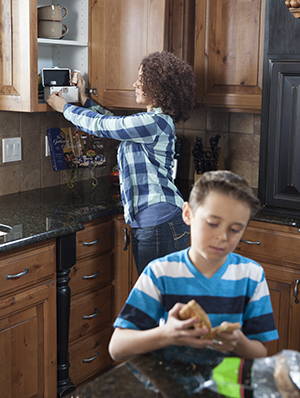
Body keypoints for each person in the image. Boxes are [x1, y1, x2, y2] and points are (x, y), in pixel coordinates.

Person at [47, 51, 195, 275]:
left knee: (156, 300)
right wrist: (85, 99)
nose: (135, 84)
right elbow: (115, 122)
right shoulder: (153, 122)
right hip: (156, 223)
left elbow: (104, 126)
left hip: (159, 224)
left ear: (159, 87)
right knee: (158, 298)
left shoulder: (155, 122)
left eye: (142, 80)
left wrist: (64, 108)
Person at [108, 170, 279, 362]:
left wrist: (239, 342)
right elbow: (117, 347)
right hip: (170, 386)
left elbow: (260, 351)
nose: (222, 237)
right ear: (188, 214)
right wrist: (166, 334)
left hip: (225, 387)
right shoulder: (160, 273)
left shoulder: (251, 275)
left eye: (235, 230)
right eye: (213, 223)